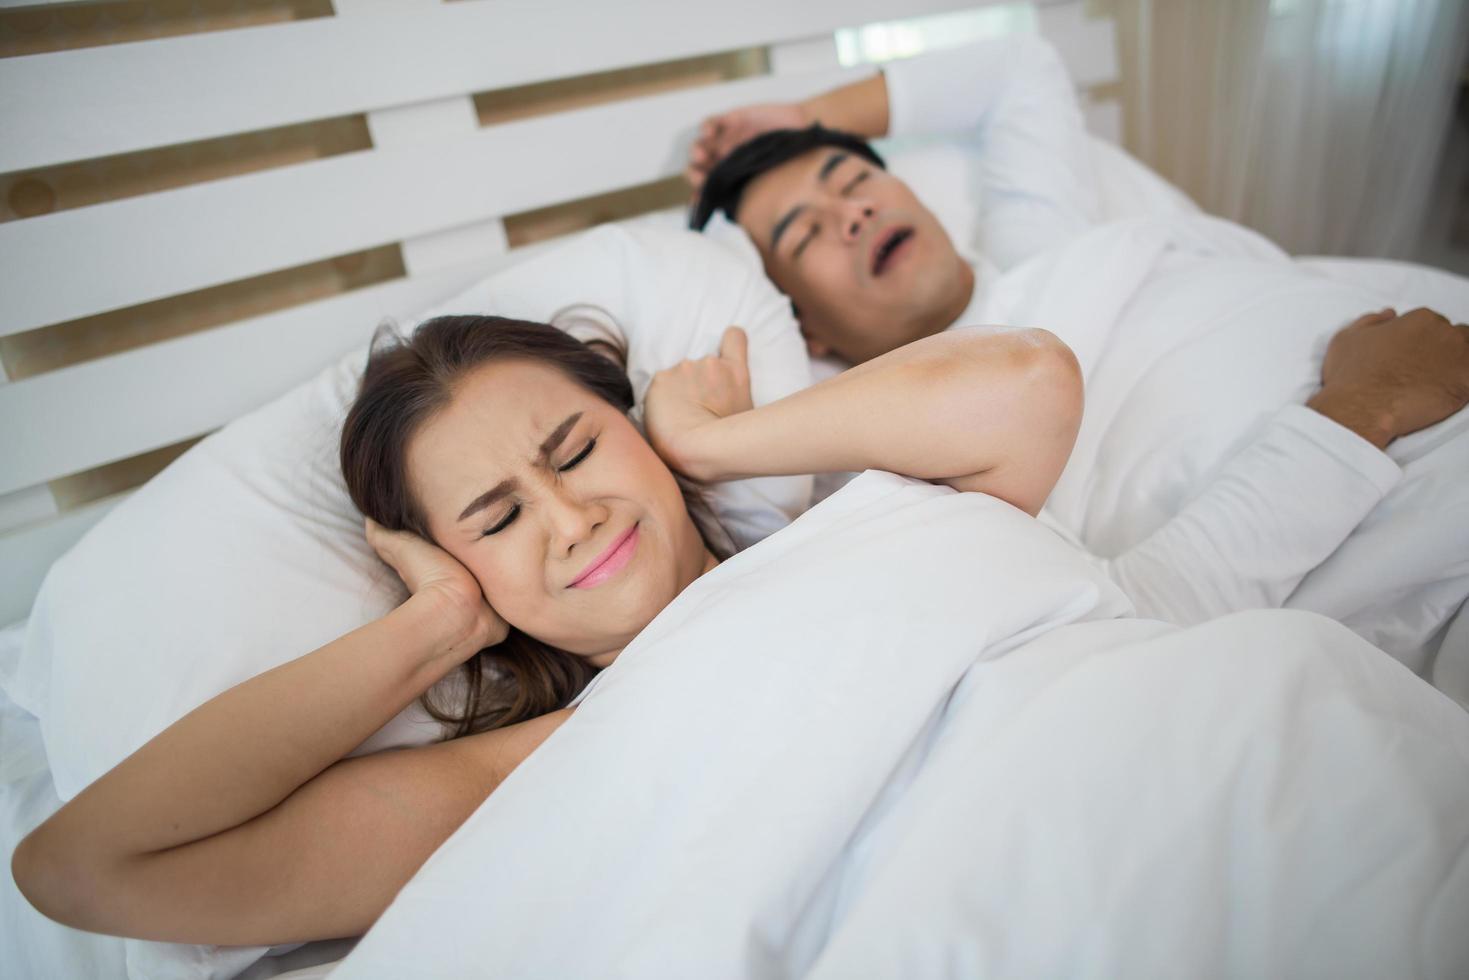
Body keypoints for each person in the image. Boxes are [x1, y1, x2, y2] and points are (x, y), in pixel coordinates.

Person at [12, 313, 1084, 947]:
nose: (571, 518)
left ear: (633, 425)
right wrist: (435, 629)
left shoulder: (857, 522)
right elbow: (86, 864)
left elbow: (1027, 385)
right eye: (497, 516)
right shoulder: (513, 776)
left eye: (575, 449)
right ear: (460, 565)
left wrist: (708, 439)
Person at [684, 33, 1469, 667]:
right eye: (807, 232)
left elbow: (1017, 66)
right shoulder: (911, 461)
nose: (848, 213)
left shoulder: (1042, 245)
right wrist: (1362, 408)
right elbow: (1130, 626)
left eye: (849, 177)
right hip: (1420, 518)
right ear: (808, 332)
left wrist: (795, 115)